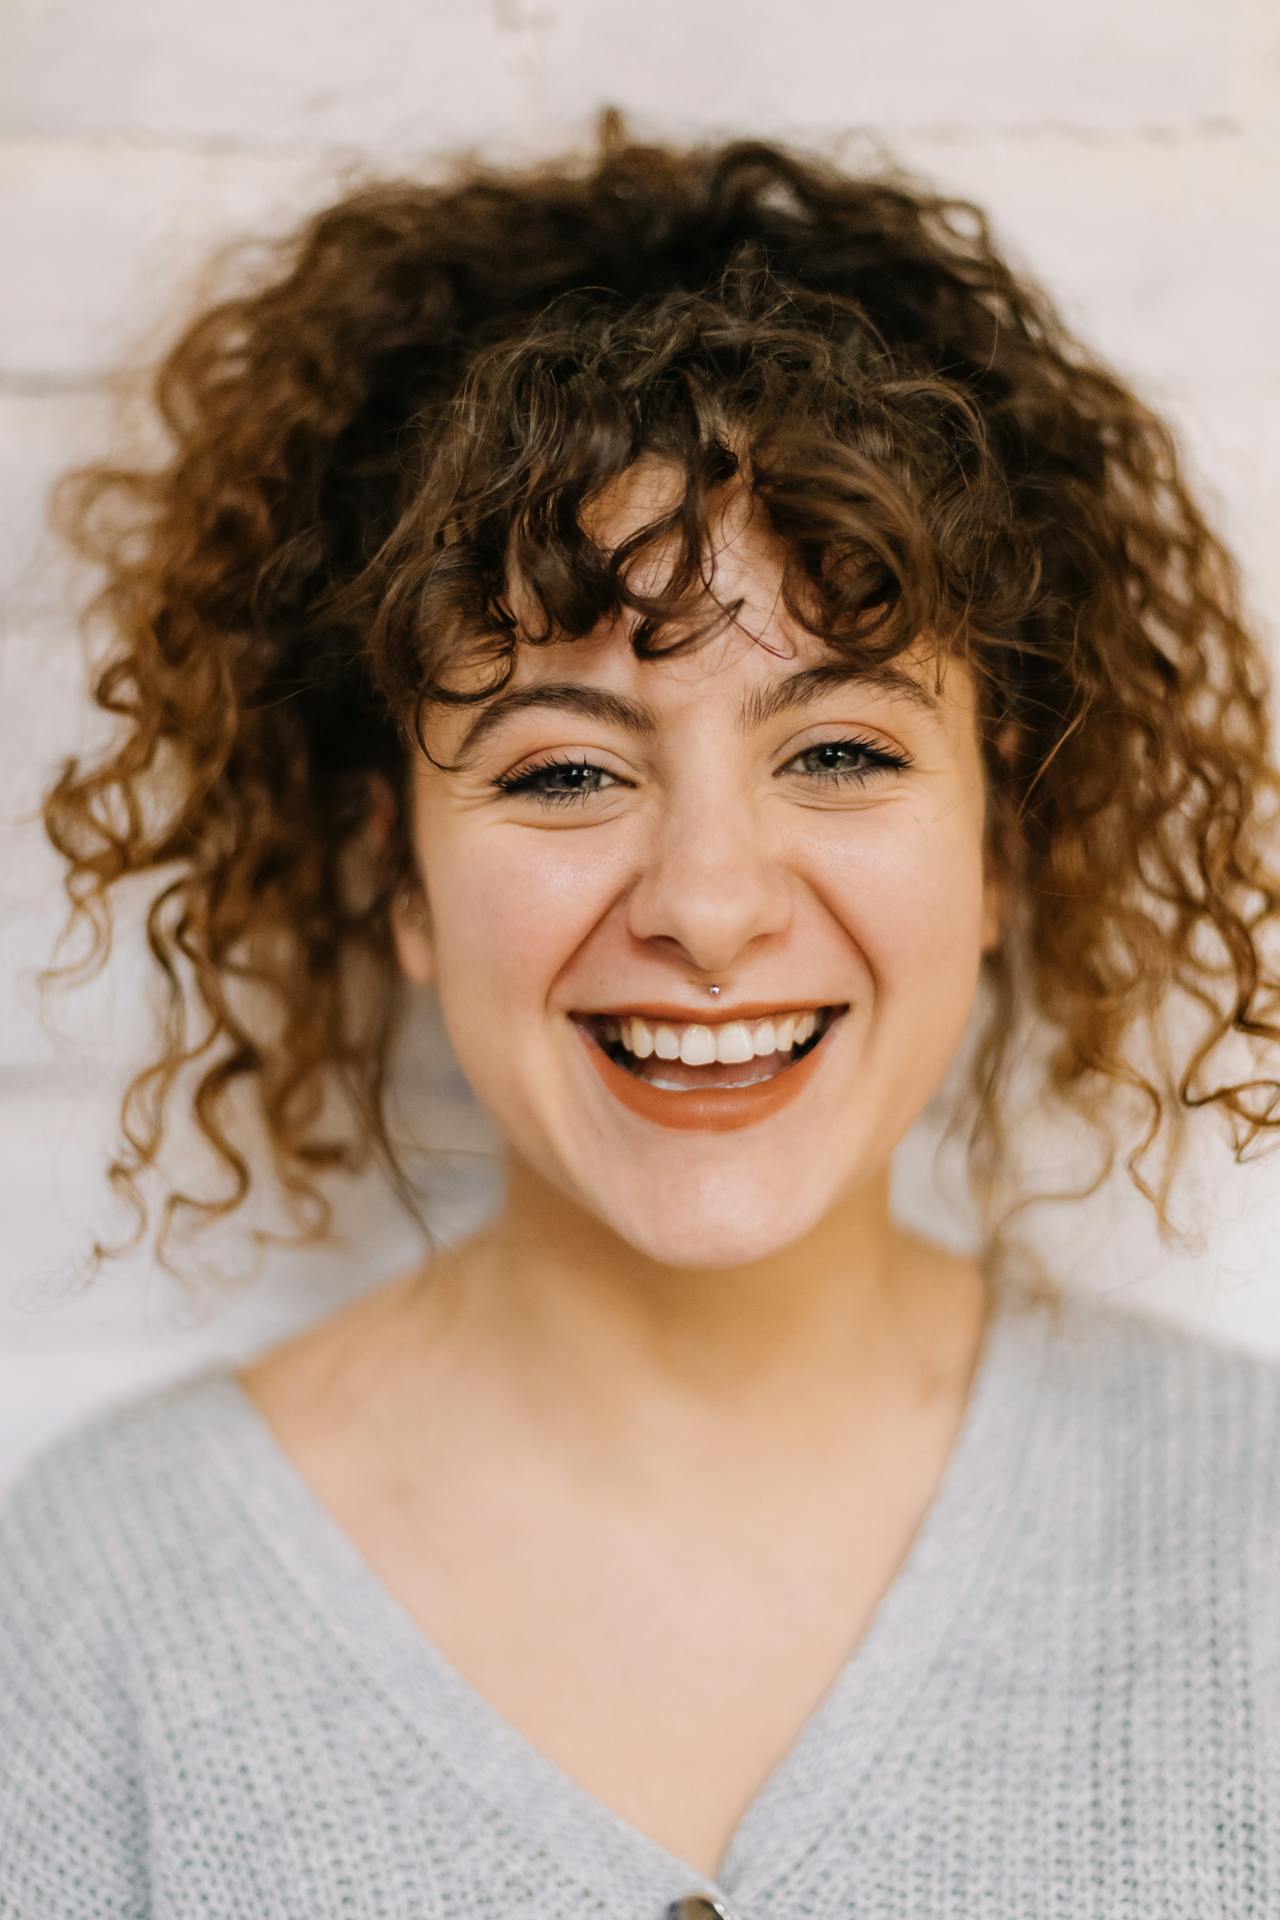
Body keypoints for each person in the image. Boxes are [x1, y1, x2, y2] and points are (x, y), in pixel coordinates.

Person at [2, 107, 1278, 1918]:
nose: (705, 903)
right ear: (397, 874)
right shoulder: (96, 1613)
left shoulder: (1259, 1546)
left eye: (839, 749)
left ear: (1004, 842)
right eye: (563, 773)